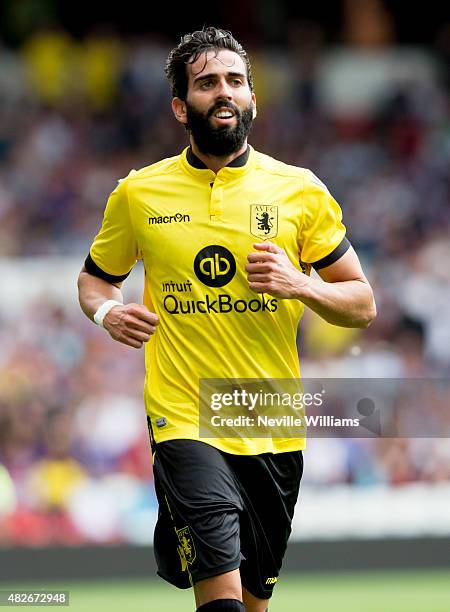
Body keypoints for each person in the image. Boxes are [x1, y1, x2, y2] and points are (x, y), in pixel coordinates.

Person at [77, 26, 376, 612]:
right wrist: (108, 312)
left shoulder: (300, 191)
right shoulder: (139, 193)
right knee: (221, 599)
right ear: (180, 106)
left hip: (272, 417)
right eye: (207, 82)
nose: (224, 92)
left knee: (253, 601)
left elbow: (362, 305)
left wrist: (299, 284)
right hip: (185, 413)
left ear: (253, 100)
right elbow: (95, 279)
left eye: (235, 81)